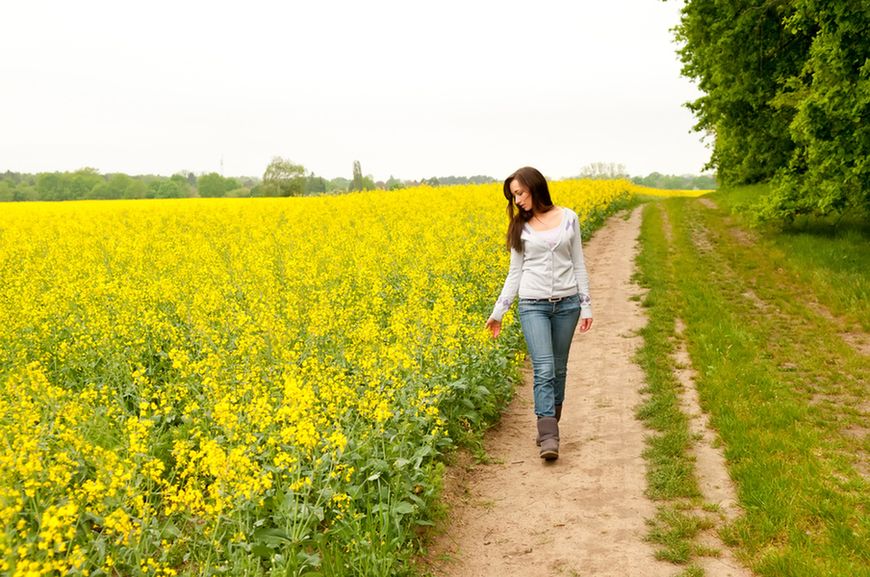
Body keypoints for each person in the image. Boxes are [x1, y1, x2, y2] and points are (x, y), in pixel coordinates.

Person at [485, 166, 593, 461]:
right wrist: (499, 312)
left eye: (520, 192)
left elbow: (579, 263)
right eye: (513, 196)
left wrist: (586, 304)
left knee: (559, 369)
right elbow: (515, 272)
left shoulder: (569, 218)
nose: (517, 200)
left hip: (568, 304)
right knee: (544, 368)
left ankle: (549, 423)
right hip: (532, 304)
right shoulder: (520, 227)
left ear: (535, 186)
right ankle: (548, 436)